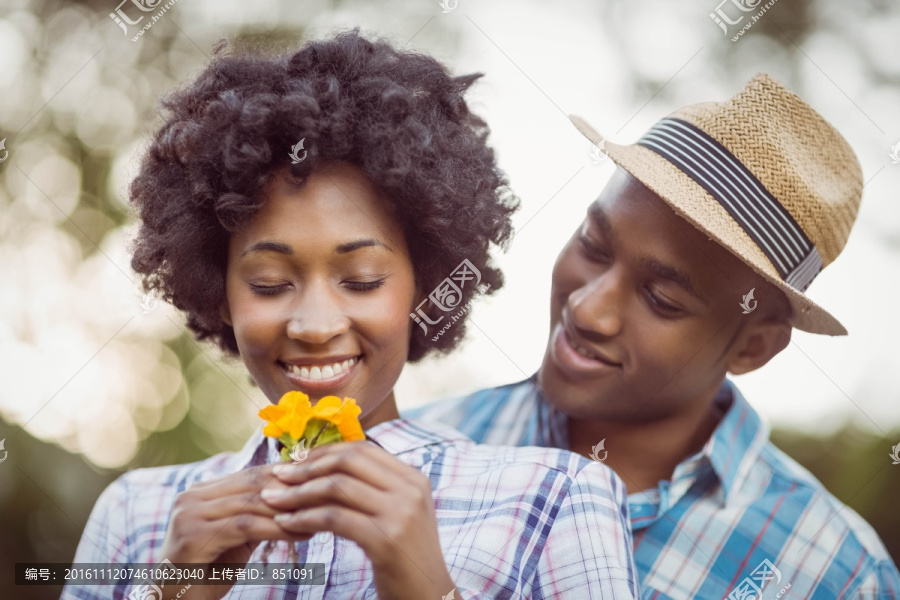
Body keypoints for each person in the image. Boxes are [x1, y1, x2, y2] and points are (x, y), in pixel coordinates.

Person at [61, 30, 640, 600]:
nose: (315, 326)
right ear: (220, 295)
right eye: (269, 284)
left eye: (362, 280)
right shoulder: (136, 515)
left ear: (425, 284)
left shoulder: (556, 500)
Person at [406, 73, 900, 598]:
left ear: (752, 346)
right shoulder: (415, 453)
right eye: (593, 244)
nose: (588, 308)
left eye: (661, 299)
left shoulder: (834, 573)